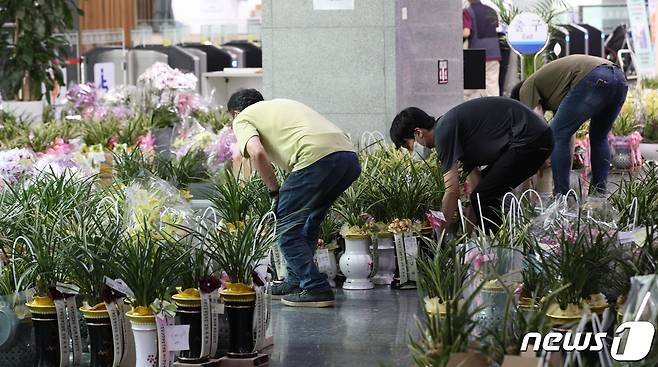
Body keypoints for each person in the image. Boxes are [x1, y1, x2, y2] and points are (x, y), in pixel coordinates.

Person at [229, 89, 360, 308]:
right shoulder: (278, 106)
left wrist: (274, 190)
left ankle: (315, 287)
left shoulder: (243, 118)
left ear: (234, 113)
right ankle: (296, 280)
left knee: (285, 227)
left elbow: (257, 153)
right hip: (348, 159)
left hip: (316, 158)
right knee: (309, 223)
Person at [389, 97, 552, 233]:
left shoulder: (443, 134)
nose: (411, 152)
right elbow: (476, 187)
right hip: (535, 138)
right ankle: (498, 244)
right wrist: (465, 236)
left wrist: (439, 238)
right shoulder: (452, 133)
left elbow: (451, 191)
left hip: (530, 139)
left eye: (408, 146)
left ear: (418, 132)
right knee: (484, 193)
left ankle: (497, 250)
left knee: (485, 196)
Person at [511, 55, 628, 195]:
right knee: (599, 137)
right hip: (619, 78)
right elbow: (568, 134)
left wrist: (541, 158)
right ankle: (599, 196)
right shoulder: (555, 88)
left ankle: (561, 197)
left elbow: (539, 129)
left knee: (556, 134)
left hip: (594, 76)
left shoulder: (526, 87)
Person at [463, 0, 501, 99]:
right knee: (492, 86)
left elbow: (466, 32)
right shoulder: (491, 10)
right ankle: (494, 110)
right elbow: (497, 25)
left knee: (472, 88)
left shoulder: (468, 12)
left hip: (476, 54)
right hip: (493, 52)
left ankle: (473, 112)